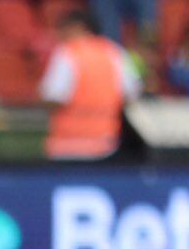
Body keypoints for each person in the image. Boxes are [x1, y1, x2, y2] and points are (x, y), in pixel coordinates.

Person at [41, 9, 141, 161]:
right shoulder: (115, 52)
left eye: (63, 29)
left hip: (67, 144)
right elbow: (131, 94)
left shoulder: (68, 52)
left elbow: (54, 96)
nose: (59, 35)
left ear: (78, 27)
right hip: (106, 143)